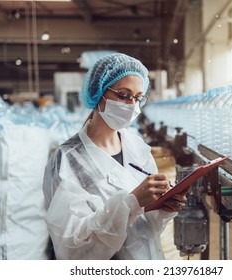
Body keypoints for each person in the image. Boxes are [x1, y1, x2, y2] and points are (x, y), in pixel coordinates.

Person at [42, 53, 188, 260]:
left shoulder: (137, 147)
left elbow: (146, 226)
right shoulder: (68, 160)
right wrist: (132, 202)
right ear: (99, 93)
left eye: (137, 98)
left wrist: (164, 207)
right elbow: (72, 247)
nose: (131, 105)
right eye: (123, 95)